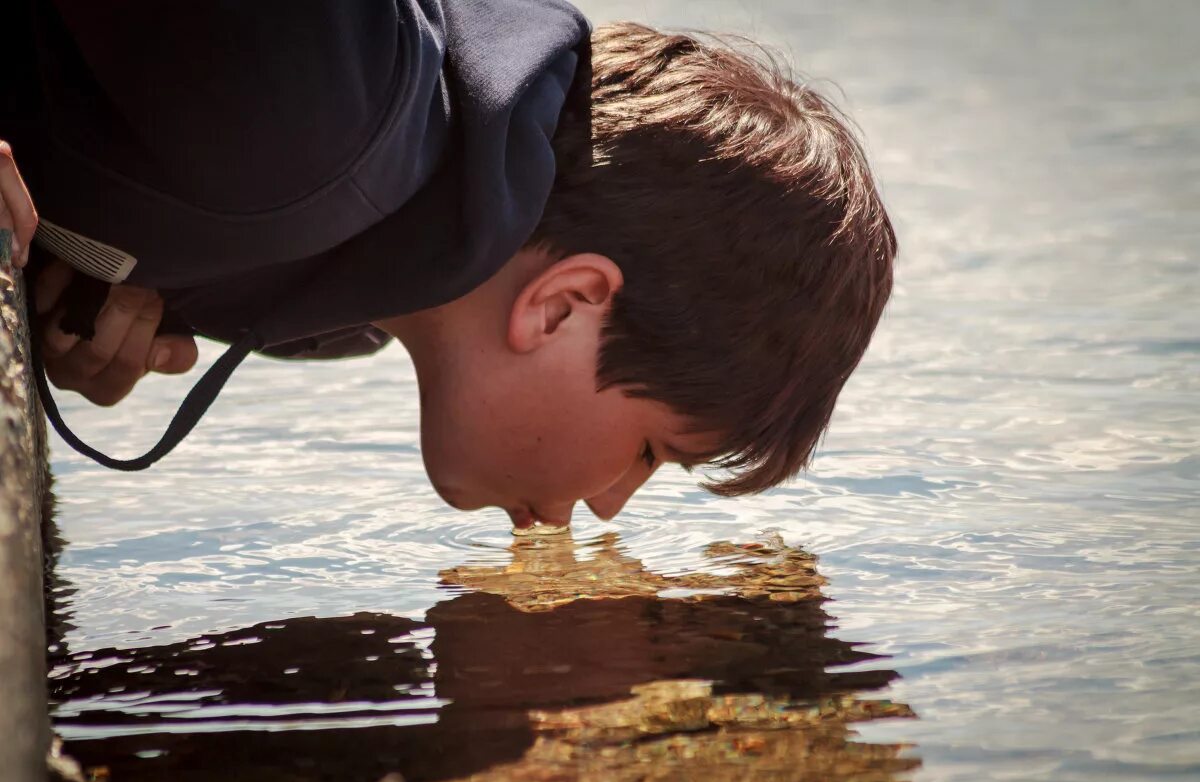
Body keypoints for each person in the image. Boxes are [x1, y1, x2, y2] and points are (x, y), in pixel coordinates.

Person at [0, 1, 895, 530]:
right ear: (564, 306)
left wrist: (92, 265)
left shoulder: (349, 284)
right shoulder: (317, 118)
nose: (615, 505)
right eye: (650, 453)